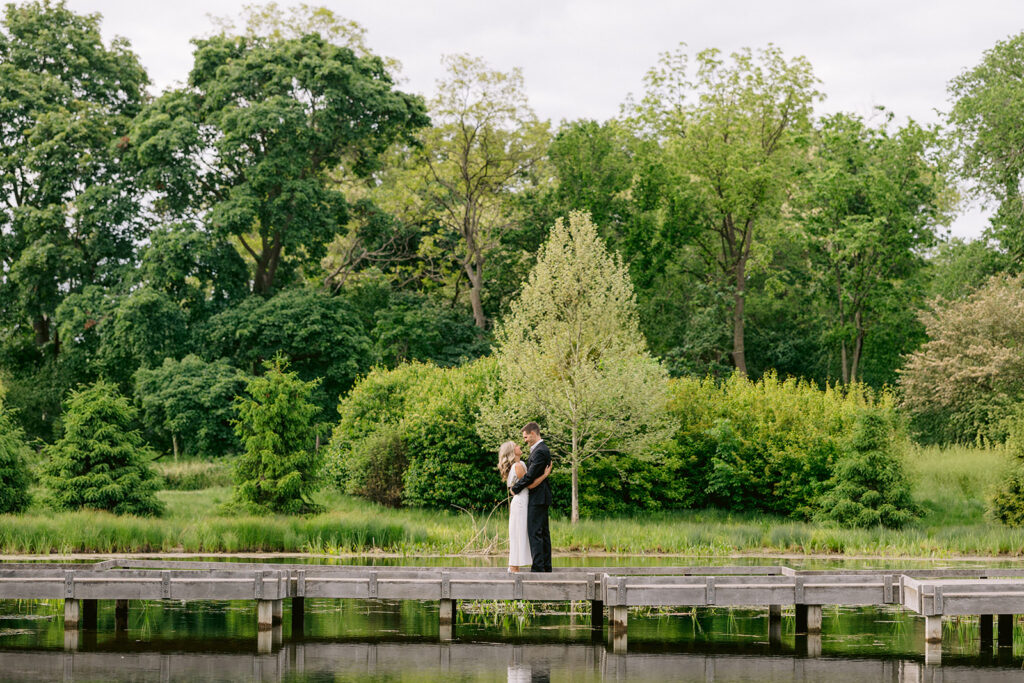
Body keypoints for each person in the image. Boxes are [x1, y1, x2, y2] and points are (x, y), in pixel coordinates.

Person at [498, 441, 551, 572]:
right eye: (516, 446)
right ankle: (514, 567)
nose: (519, 446)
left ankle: (515, 567)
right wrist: (545, 475)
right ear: (512, 451)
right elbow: (530, 485)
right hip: (521, 502)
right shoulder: (518, 466)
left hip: (522, 501)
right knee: (519, 533)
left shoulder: (520, 464)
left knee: (520, 534)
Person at [510, 422, 553, 573]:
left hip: (538, 497)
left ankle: (538, 569)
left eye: (526, 436)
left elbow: (530, 476)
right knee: (542, 532)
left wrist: (515, 488)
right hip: (539, 497)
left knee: (536, 532)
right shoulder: (539, 450)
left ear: (533, 434)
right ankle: (545, 567)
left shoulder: (540, 451)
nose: (525, 440)